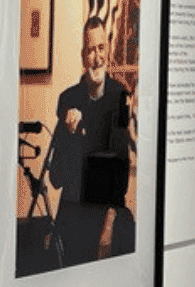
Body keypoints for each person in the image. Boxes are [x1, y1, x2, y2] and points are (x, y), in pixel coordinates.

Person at [48, 16, 135, 266]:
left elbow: (120, 171)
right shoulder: (68, 99)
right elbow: (56, 178)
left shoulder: (119, 96)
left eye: (101, 49)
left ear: (107, 50)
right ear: (82, 55)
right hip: (73, 212)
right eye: (90, 50)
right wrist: (68, 134)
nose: (97, 58)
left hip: (105, 212)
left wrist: (108, 227)